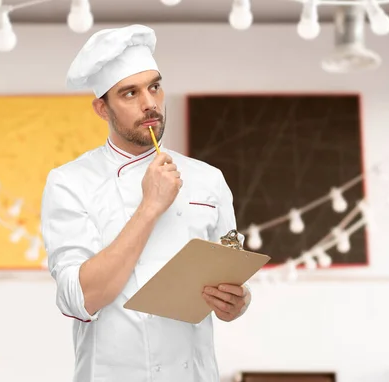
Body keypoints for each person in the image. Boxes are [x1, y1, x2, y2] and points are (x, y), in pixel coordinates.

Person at [40, 24, 252, 382]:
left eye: (154, 86)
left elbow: (230, 275)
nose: (149, 103)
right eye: (129, 93)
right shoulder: (70, 183)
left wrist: (238, 301)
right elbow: (80, 298)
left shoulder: (208, 179)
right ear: (102, 109)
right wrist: (150, 206)